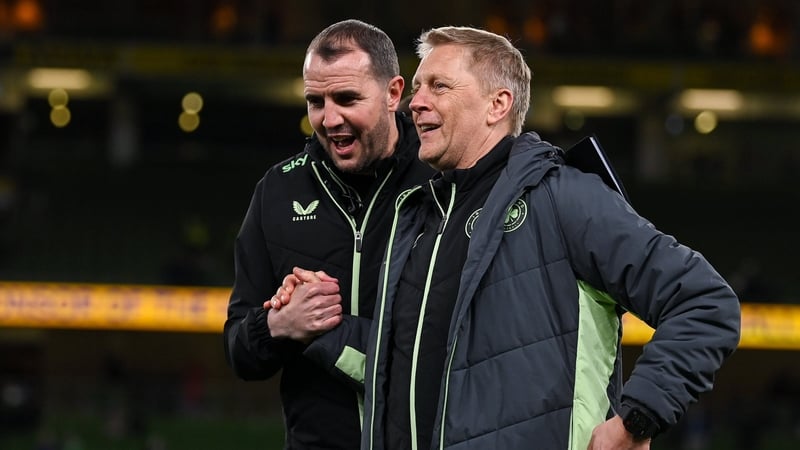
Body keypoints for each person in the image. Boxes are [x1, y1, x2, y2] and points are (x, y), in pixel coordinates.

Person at [360, 26, 741, 450]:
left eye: (439, 86)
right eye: (416, 87)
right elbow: (400, 362)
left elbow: (705, 302)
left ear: (497, 104)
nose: (415, 103)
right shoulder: (418, 218)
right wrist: (309, 326)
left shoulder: (563, 196)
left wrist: (636, 418)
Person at [223, 19, 433, 449]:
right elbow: (238, 350)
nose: (329, 118)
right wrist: (280, 324)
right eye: (315, 101)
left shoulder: (441, 180)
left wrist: (327, 331)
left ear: (394, 93)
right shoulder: (278, 192)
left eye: (346, 98)